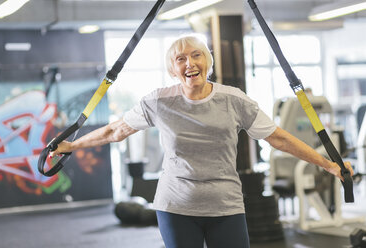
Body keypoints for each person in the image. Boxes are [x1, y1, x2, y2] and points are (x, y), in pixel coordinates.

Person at [50, 34, 353, 248]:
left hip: (225, 206)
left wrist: (327, 165)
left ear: (208, 61)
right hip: (176, 206)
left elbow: (278, 138)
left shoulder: (235, 101)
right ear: (173, 68)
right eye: (180, 58)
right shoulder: (158, 101)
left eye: (196, 55)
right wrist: (71, 146)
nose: (189, 63)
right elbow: (115, 131)